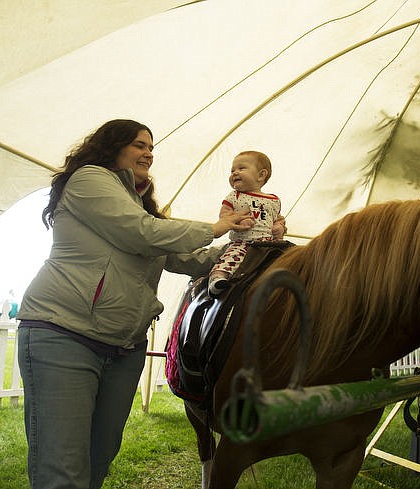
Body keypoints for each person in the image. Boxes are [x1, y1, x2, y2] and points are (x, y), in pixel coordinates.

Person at [16, 119, 251, 489]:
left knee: (98, 460)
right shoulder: (89, 180)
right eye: (140, 145)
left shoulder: (139, 204)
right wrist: (216, 226)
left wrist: (243, 247)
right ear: (112, 145)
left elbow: (181, 258)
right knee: (61, 467)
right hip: (64, 334)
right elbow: (141, 232)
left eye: (151, 148)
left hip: (124, 349)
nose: (149, 153)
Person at [207, 150, 286, 295]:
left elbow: (279, 219)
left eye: (241, 168)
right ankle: (217, 278)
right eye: (232, 170)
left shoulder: (273, 200)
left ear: (261, 175)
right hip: (243, 243)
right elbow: (224, 216)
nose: (235, 173)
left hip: (268, 244)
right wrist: (237, 220)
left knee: (284, 259)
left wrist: (279, 227)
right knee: (231, 258)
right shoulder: (234, 196)